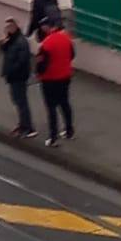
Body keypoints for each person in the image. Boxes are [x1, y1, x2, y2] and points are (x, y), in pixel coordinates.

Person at [34, 14, 75, 147]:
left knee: (51, 108)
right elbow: (72, 54)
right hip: (65, 76)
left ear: (46, 27)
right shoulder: (66, 38)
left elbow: (41, 65)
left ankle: (53, 137)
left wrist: (38, 74)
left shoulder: (46, 44)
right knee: (64, 104)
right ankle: (69, 131)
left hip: (50, 79)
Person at [0, 18, 35, 139]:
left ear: (14, 27)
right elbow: (5, 51)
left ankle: (28, 127)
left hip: (18, 76)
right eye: (6, 28)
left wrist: (11, 70)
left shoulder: (21, 42)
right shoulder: (12, 40)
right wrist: (4, 43)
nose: (7, 30)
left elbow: (22, 60)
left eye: (9, 27)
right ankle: (22, 124)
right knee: (17, 100)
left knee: (21, 102)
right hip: (13, 76)